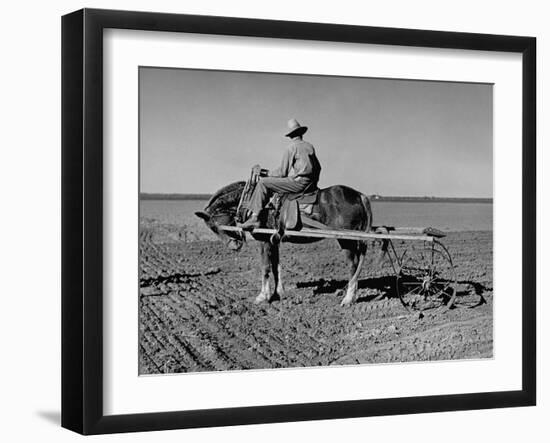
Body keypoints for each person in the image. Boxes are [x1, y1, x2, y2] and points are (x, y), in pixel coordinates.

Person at [239, 118, 322, 230]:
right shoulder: (309, 146)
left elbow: (282, 172)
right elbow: (318, 167)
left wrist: (264, 172)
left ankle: (255, 218)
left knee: (263, 183)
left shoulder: (291, 147)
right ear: (301, 134)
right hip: (310, 183)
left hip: (299, 183)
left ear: (290, 136)